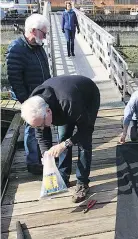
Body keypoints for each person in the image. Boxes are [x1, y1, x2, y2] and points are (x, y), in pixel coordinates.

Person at [20, 75, 100, 203]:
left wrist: (65, 145)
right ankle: (63, 176)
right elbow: (40, 134)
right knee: (63, 136)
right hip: (63, 100)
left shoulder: (68, 103)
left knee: (83, 143)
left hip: (87, 96)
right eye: (37, 125)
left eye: (42, 124)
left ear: (48, 111)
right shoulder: (34, 106)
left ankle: (82, 182)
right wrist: (45, 154)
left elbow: (87, 130)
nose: (41, 128)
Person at [6, 13, 51, 175]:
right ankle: (32, 162)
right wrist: (25, 101)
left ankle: (45, 157)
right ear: (33, 30)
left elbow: (46, 71)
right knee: (31, 130)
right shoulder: (16, 49)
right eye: (43, 33)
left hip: (43, 94)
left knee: (43, 128)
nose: (45, 37)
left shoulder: (38, 47)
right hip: (30, 98)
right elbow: (14, 78)